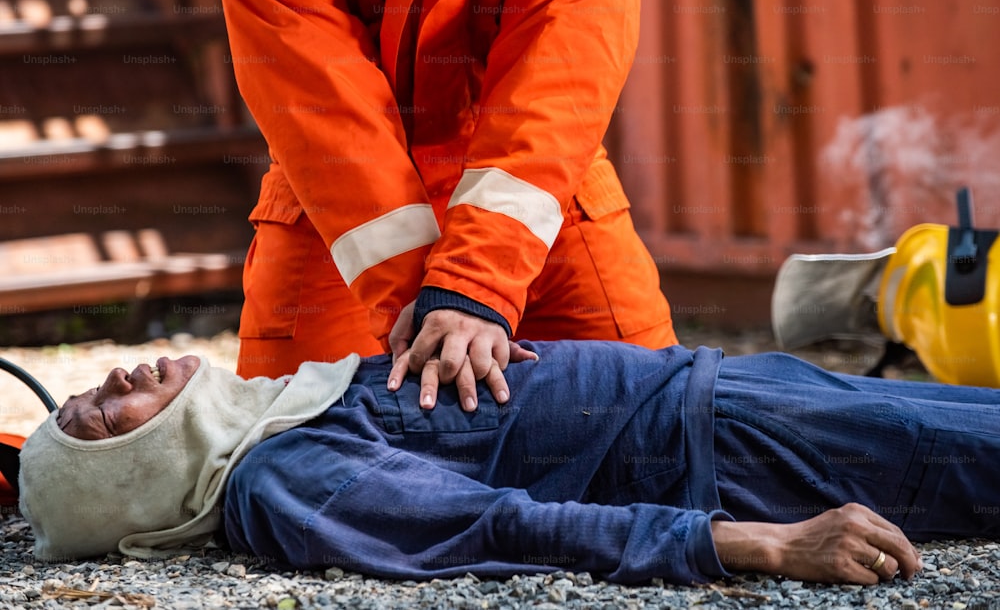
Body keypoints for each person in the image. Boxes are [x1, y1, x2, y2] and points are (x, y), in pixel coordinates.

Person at [19, 339, 1000, 586]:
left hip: (726, 393)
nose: (113, 378)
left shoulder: (275, 418)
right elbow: (497, 526)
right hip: (738, 447)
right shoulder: (287, 479)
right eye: (105, 415)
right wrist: (766, 546)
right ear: (137, 478)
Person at [210, 0, 677, 402]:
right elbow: (323, 108)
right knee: (287, 443)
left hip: (535, 186)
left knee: (656, 417)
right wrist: (442, 311)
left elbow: (559, 76)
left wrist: (473, 284)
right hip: (340, 210)